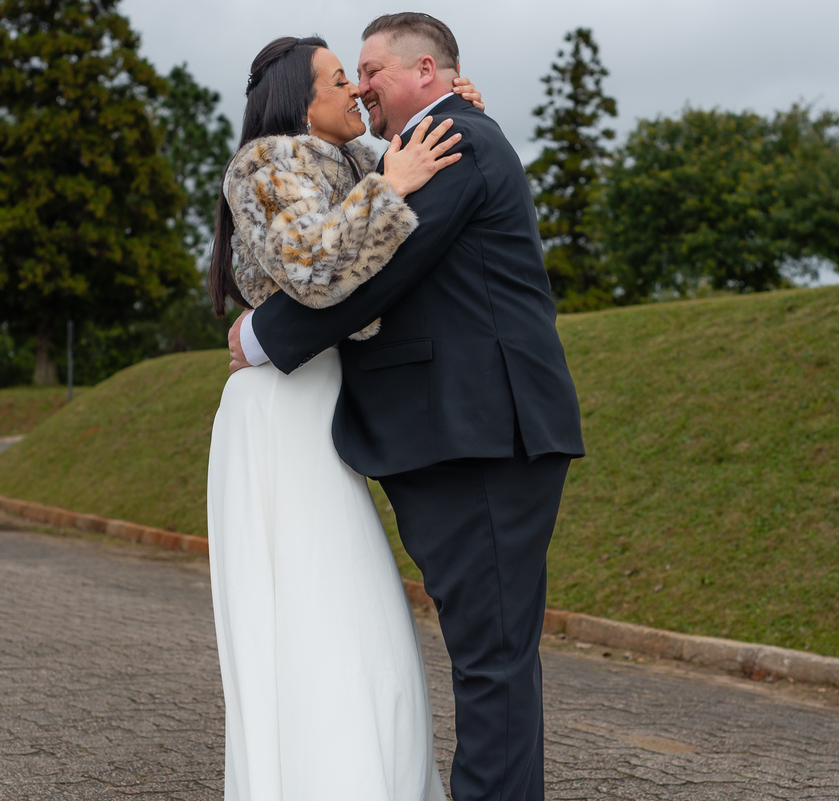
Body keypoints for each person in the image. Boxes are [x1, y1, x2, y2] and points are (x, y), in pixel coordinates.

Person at [228, 13, 585, 801]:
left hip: (481, 438)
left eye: (370, 69)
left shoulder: (451, 140)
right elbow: (358, 242)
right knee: (496, 658)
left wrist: (262, 336)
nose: (360, 85)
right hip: (469, 435)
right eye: (345, 74)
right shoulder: (412, 145)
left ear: (426, 71)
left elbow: (384, 268)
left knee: (491, 661)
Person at [207, 35, 484, 800]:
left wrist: (446, 112)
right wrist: (392, 183)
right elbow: (316, 269)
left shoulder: (357, 160)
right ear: (302, 99)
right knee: (312, 607)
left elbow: (396, 200)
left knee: (362, 612)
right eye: (341, 81)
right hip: (281, 412)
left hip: (326, 401)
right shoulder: (267, 162)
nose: (358, 94)